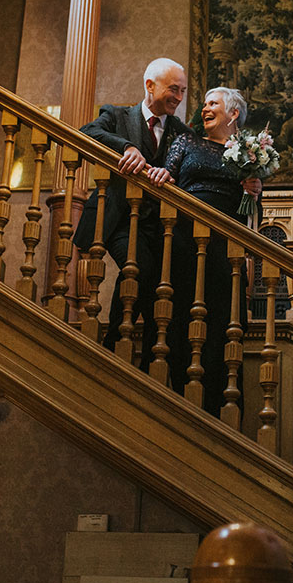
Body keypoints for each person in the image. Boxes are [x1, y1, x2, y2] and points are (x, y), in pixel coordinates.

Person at [146, 87, 262, 414]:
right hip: (185, 239)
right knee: (182, 315)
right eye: (205, 103)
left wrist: (255, 191)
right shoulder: (186, 142)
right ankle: (182, 399)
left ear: (233, 114)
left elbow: (253, 215)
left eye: (213, 104)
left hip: (227, 247)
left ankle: (215, 405)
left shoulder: (249, 155)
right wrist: (163, 174)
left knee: (223, 321)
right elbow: (168, 174)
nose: (205, 109)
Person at [73, 57, 194, 362]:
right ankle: (116, 346)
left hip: (161, 228)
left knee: (153, 287)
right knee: (138, 267)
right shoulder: (115, 115)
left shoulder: (181, 132)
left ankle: (135, 357)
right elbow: (88, 133)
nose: (179, 98)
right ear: (149, 85)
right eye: (173, 89)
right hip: (118, 222)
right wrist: (127, 147)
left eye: (182, 91)